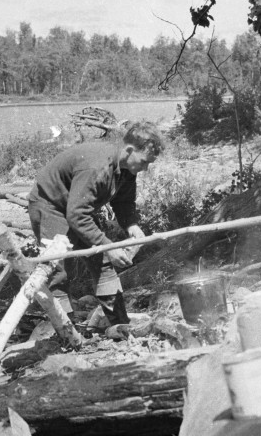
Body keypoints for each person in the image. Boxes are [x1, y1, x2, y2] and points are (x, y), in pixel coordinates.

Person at [27, 120, 163, 327]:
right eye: (144, 161)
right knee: (58, 270)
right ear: (128, 150)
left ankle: (119, 325)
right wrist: (108, 246)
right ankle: (66, 333)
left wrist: (132, 225)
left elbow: (124, 202)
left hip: (77, 208)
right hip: (50, 206)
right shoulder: (97, 167)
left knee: (103, 262)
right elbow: (77, 216)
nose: (145, 168)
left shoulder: (126, 168)